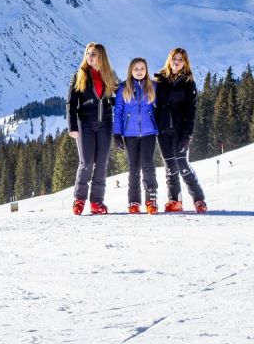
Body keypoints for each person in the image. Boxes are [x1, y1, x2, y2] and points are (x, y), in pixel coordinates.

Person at [153, 47, 207, 213]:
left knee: (182, 163)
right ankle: (174, 200)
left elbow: (191, 112)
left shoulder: (188, 83)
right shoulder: (159, 80)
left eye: (180, 59)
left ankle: (199, 199)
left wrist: (187, 135)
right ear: (169, 59)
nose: (176, 62)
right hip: (162, 129)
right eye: (174, 58)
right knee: (170, 165)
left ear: (185, 63)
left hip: (180, 129)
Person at [67, 42, 118, 215]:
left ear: (101, 56)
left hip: (105, 123)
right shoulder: (79, 75)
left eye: (94, 54)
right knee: (86, 162)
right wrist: (72, 126)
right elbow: (71, 103)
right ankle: (79, 199)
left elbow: (118, 97)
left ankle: (97, 202)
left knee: (101, 164)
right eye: (88, 53)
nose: (90, 56)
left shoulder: (110, 75)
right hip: (85, 123)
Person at [113, 58, 159, 214]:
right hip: (130, 133)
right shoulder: (123, 88)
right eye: (136, 68)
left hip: (149, 132)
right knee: (134, 167)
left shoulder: (152, 86)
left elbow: (163, 105)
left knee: (148, 164)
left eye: (142, 68)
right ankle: (133, 202)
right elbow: (118, 112)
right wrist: (117, 133)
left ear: (146, 70)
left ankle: (151, 200)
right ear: (130, 70)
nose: (139, 71)